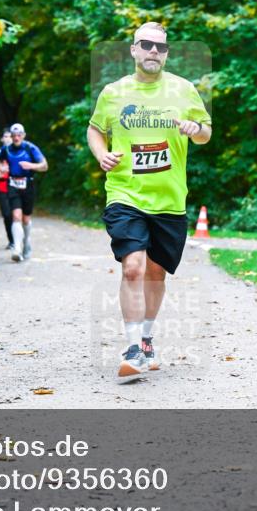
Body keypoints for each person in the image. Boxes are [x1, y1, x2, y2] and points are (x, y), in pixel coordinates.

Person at [86, 22, 212, 383]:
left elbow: (206, 132)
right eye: (147, 45)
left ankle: (147, 339)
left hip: (170, 199)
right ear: (134, 49)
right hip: (125, 193)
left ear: (167, 53)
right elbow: (95, 128)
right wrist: (101, 154)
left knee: (156, 273)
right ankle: (131, 349)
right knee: (133, 267)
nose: (154, 51)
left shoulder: (184, 90)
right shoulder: (113, 92)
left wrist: (194, 130)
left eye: (161, 47)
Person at [0, 123, 48, 262]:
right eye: (14, 135)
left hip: (28, 184)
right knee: (16, 216)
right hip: (13, 184)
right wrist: (2, 167)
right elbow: (0, 159)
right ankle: (17, 249)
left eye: (19, 135)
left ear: (23, 135)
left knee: (26, 219)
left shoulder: (30, 148)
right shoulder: (6, 149)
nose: (16, 138)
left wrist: (31, 165)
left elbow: (44, 166)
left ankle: (26, 244)